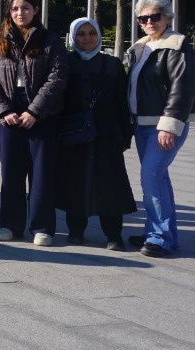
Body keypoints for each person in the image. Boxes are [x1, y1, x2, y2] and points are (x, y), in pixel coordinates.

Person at [0, 0, 67, 244]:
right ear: (9, 11)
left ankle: (41, 227)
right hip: (7, 114)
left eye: (26, 8)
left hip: (42, 115)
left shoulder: (50, 41)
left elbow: (57, 79)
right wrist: (3, 111)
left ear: (35, 10)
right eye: (15, 8)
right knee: (11, 173)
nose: (20, 13)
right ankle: (10, 224)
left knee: (41, 173)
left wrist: (34, 112)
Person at [125, 0, 195, 257]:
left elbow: (183, 88)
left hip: (163, 125)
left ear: (168, 17)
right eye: (143, 18)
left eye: (155, 16)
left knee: (152, 177)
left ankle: (160, 237)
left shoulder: (177, 45)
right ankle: (158, 234)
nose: (149, 22)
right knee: (157, 179)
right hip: (142, 124)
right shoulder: (140, 47)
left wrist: (169, 126)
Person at [57, 17, 136, 250]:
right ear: (73, 37)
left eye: (92, 33)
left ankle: (113, 235)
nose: (87, 38)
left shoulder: (112, 64)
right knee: (75, 182)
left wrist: (125, 135)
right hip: (74, 134)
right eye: (81, 34)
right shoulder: (65, 63)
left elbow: (123, 103)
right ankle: (76, 231)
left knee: (110, 185)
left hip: (106, 134)